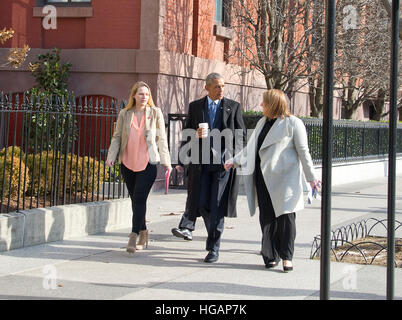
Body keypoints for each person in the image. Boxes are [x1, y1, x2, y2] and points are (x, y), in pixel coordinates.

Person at [225, 89, 321, 272]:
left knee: (286, 218)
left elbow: (303, 152)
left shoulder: (293, 123)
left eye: (265, 102)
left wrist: (311, 178)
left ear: (274, 104)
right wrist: (234, 161)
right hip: (263, 178)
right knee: (267, 217)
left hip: (285, 180)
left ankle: (287, 256)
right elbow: (250, 148)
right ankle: (270, 255)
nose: (261, 105)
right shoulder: (262, 122)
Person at [172, 73, 246, 263]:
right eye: (217, 87)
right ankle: (208, 231)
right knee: (202, 203)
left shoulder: (233, 106)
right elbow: (187, 134)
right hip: (201, 164)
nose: (221, 90)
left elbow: (240, 136)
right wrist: (185, 154)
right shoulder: (196, 107)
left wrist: (233, 157)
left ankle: (213, 248)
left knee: (217, 206)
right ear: (207, 88)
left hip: (223, 165)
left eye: (223, 86)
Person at [106, 81, 172, 254]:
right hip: (127, 162)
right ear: (134, 95)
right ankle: (144, 232)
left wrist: (166, 162)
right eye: (141, 94)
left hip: (148, 163)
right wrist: (111, 157)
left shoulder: (155, 113)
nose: (144, 97)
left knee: (140, 198)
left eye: (147, 94)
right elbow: (117, 137)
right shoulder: (125, 113)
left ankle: (133, 235)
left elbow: (162, 139)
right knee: (135, 199)